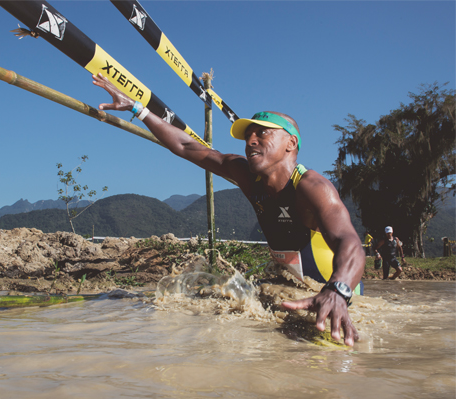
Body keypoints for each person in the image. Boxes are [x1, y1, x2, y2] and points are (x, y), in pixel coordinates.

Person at [93, 73, 365, 346]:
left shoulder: (312, 187)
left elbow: (350, 242)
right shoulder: (246, 175)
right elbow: (186, 146)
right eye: (248, 136)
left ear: (290, 144)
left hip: (336, 291)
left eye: (262, 133)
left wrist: (338, 291)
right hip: (293, 285)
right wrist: (137, 109)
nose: (250, 141)